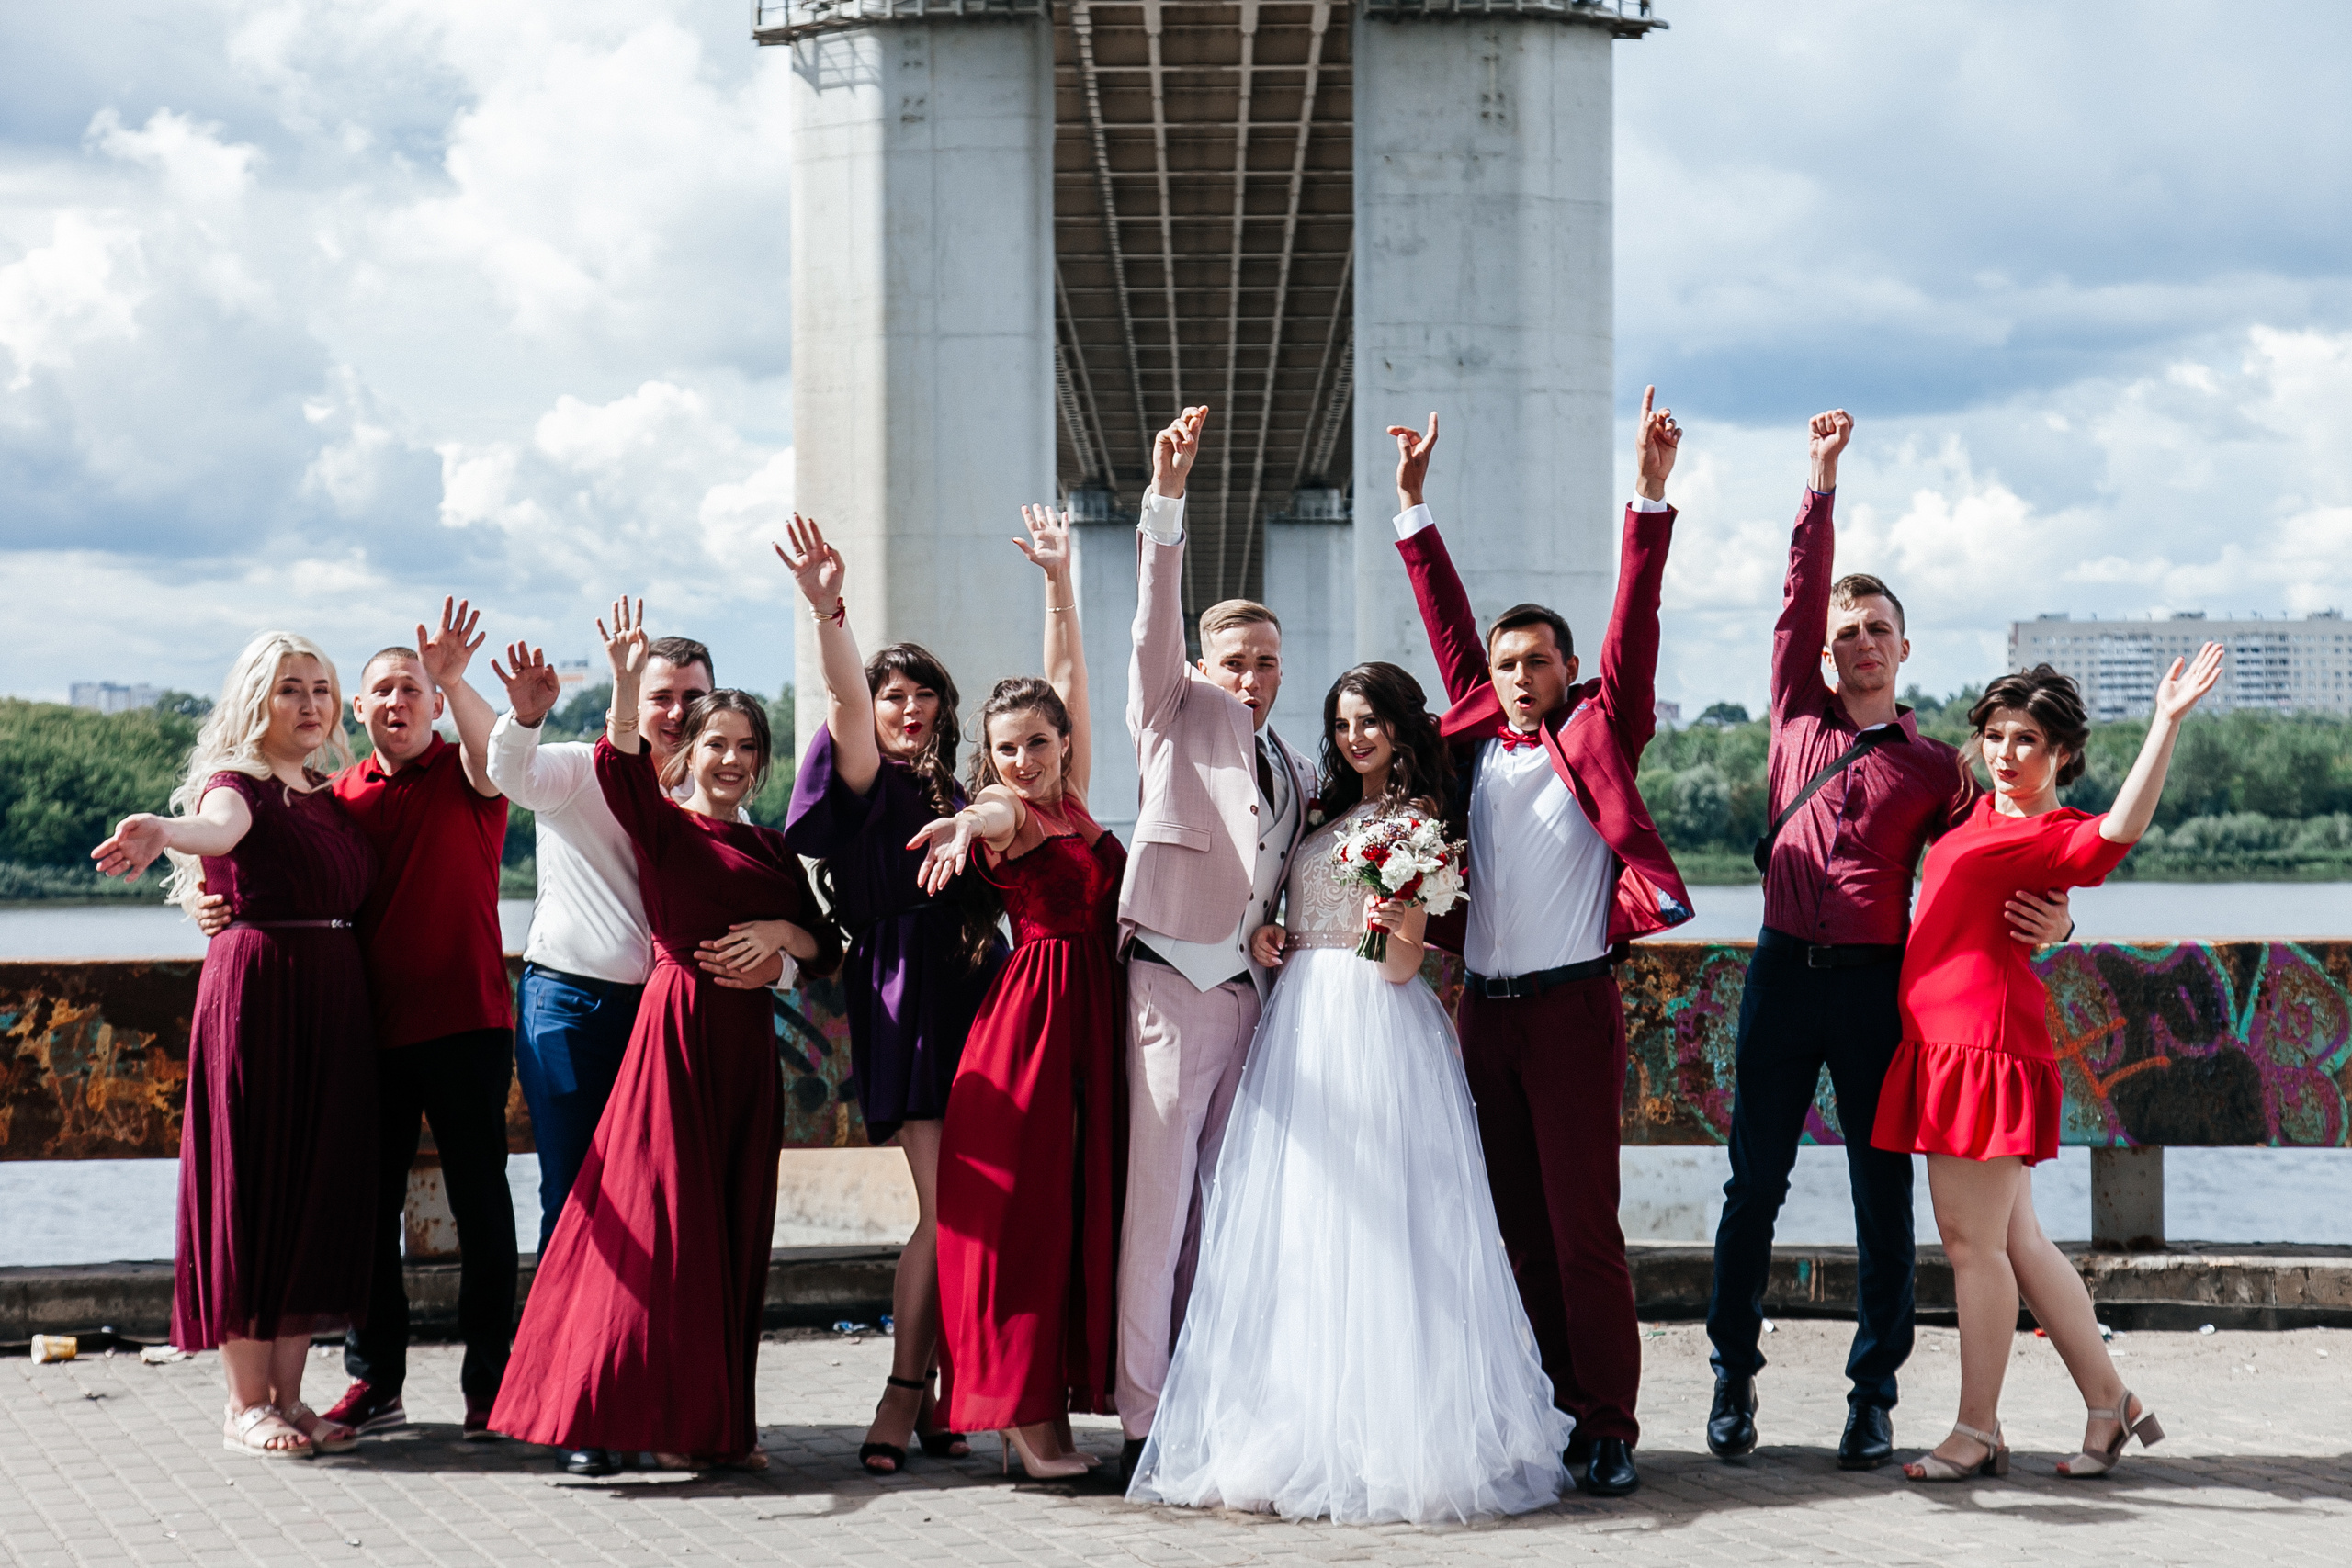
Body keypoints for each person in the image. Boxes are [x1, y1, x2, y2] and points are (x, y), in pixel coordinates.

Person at [1703, 412, 2075, 1471]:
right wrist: (1818, 484)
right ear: (1824, 655)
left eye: (1877, 629)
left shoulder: (1938, 769)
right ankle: (1731, 1377)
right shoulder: (1795, 716)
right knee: (1753, 1188)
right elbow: (1797, 592)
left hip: (1878, 991)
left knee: (1881, 1197)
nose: (1860, 642)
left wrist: (2060, 916)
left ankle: (1873, 1397)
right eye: (1845, 633)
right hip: (1781, 974)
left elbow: (2005, 853)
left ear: (1903, 649)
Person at [1131, 662, 1572, 1523]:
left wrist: (1390, 923)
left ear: (1401, 726)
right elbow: (1298, 914)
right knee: (1302, 1223)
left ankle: (1384, 1436)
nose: (1354, 736)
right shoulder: (1324, 811)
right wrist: (1274, 933)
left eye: (1369, 720)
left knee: (1381, 1225)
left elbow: (1403, 964)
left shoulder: (1417, 822)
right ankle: (1300, 1421)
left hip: (1371, 1024)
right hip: (1301, 1018)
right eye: (1342, 723)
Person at [1385, 390, 1693, 1498]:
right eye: (1508, 663)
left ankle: (1608, 1424)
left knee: (1581, 1233)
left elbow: (1634, 625)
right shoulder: (1471, 746)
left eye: (1540, 662)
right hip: (1484, 1015)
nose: (1521, 677)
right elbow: (1447, 630)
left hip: (1569, 1010)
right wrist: (1413, 508)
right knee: (1512, 1227)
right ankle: (1544, 1408)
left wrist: (1647, 496)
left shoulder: (1600, 732)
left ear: (1567, 671)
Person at [490, 597, 842, 1470]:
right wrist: (616, 677)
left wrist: (784, 942)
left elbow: (828, 946)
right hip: (669, 1035)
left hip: (742, 1051)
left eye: (745, 746)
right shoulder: (659, 821)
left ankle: (714, 1424)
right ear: (688, 749)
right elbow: (607, 762)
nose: (728, 757)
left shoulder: (772, 848)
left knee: (730, 1223)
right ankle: (595, 1415)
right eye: (714, 742)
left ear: (761, 761)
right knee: (632, 1217)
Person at [1872, 651, 2221, 1482]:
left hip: (1980, 1053)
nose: (2005, 751)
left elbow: (2118, 831)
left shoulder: (2049, 834)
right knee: (2018, 1242)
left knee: (1972, 1247)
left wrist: (2165, 723)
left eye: (2026, 738)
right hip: (1948, 1045)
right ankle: (2110, 1402)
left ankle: (1977, 1429)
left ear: (2061, 752)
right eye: (1995, 734)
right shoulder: (1975, 814)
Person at [92, 631, 378, 1460]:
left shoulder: (324, 789)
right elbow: (216, 831)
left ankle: (291, 1397)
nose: (311, 703)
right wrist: (162, 829)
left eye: (321, 688)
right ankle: (245, 1403)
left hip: (331, 1002)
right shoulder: (238, 784)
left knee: (312, 1188)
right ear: (258, 699)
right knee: (254, 1186)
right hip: (261, 999)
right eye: (291, 688)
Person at [1114, 403, 1318, 1483]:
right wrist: (1166, 499)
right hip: (1168, 986)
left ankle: (1206, 1404)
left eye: (1267, 663)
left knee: (1224, 1215)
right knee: (1154, 1217)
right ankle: (1140, 1419)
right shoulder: (1171, 709)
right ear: (1204, 662)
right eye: (1235, 660)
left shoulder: (1293, 764)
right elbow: (1153, 619)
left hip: (1248, 999)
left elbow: (1275, 866)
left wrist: (1275, 925)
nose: (1250, 677)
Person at [775, 512, 1006, 1474]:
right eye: (891, 694)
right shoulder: (869, 778)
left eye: (922, 694)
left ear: (944, 708)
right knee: (946, 1207)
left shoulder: (965, 787)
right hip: (906, 991)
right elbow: (840, 692)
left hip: (981, 992)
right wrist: (829, 611)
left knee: (976, 1206)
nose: (906, 708)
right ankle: (903, 1391)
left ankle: (944, 1389)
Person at [913, 505, 1125, 1481]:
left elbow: (1068, 675)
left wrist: (1057, 581)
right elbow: (993, 810)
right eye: (1005, 750)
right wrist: (969, 823)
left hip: (1093, 1018)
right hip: (1032, 1027)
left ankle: (1050, 1407)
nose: (1022, 761)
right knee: (1027, 1216)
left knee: (1075, 1209)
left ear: (1062, 743)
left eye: (1037, 743)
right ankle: (1019, 1418)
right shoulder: (1011, 814)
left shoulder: (1071, 799)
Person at [314, 602, 515, 1443]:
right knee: (367, 1212)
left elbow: (497, 753)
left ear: (433, 703)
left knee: (482, 1209)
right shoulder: (337, 799)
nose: (398, 701)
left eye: (412, 688)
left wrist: (458, 677)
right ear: (358, 708)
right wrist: (218, 910)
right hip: (373, 1036)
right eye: (383, 690)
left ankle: (492, 1386)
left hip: (469, 1024)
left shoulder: (469, 774)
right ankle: (376, 1379)